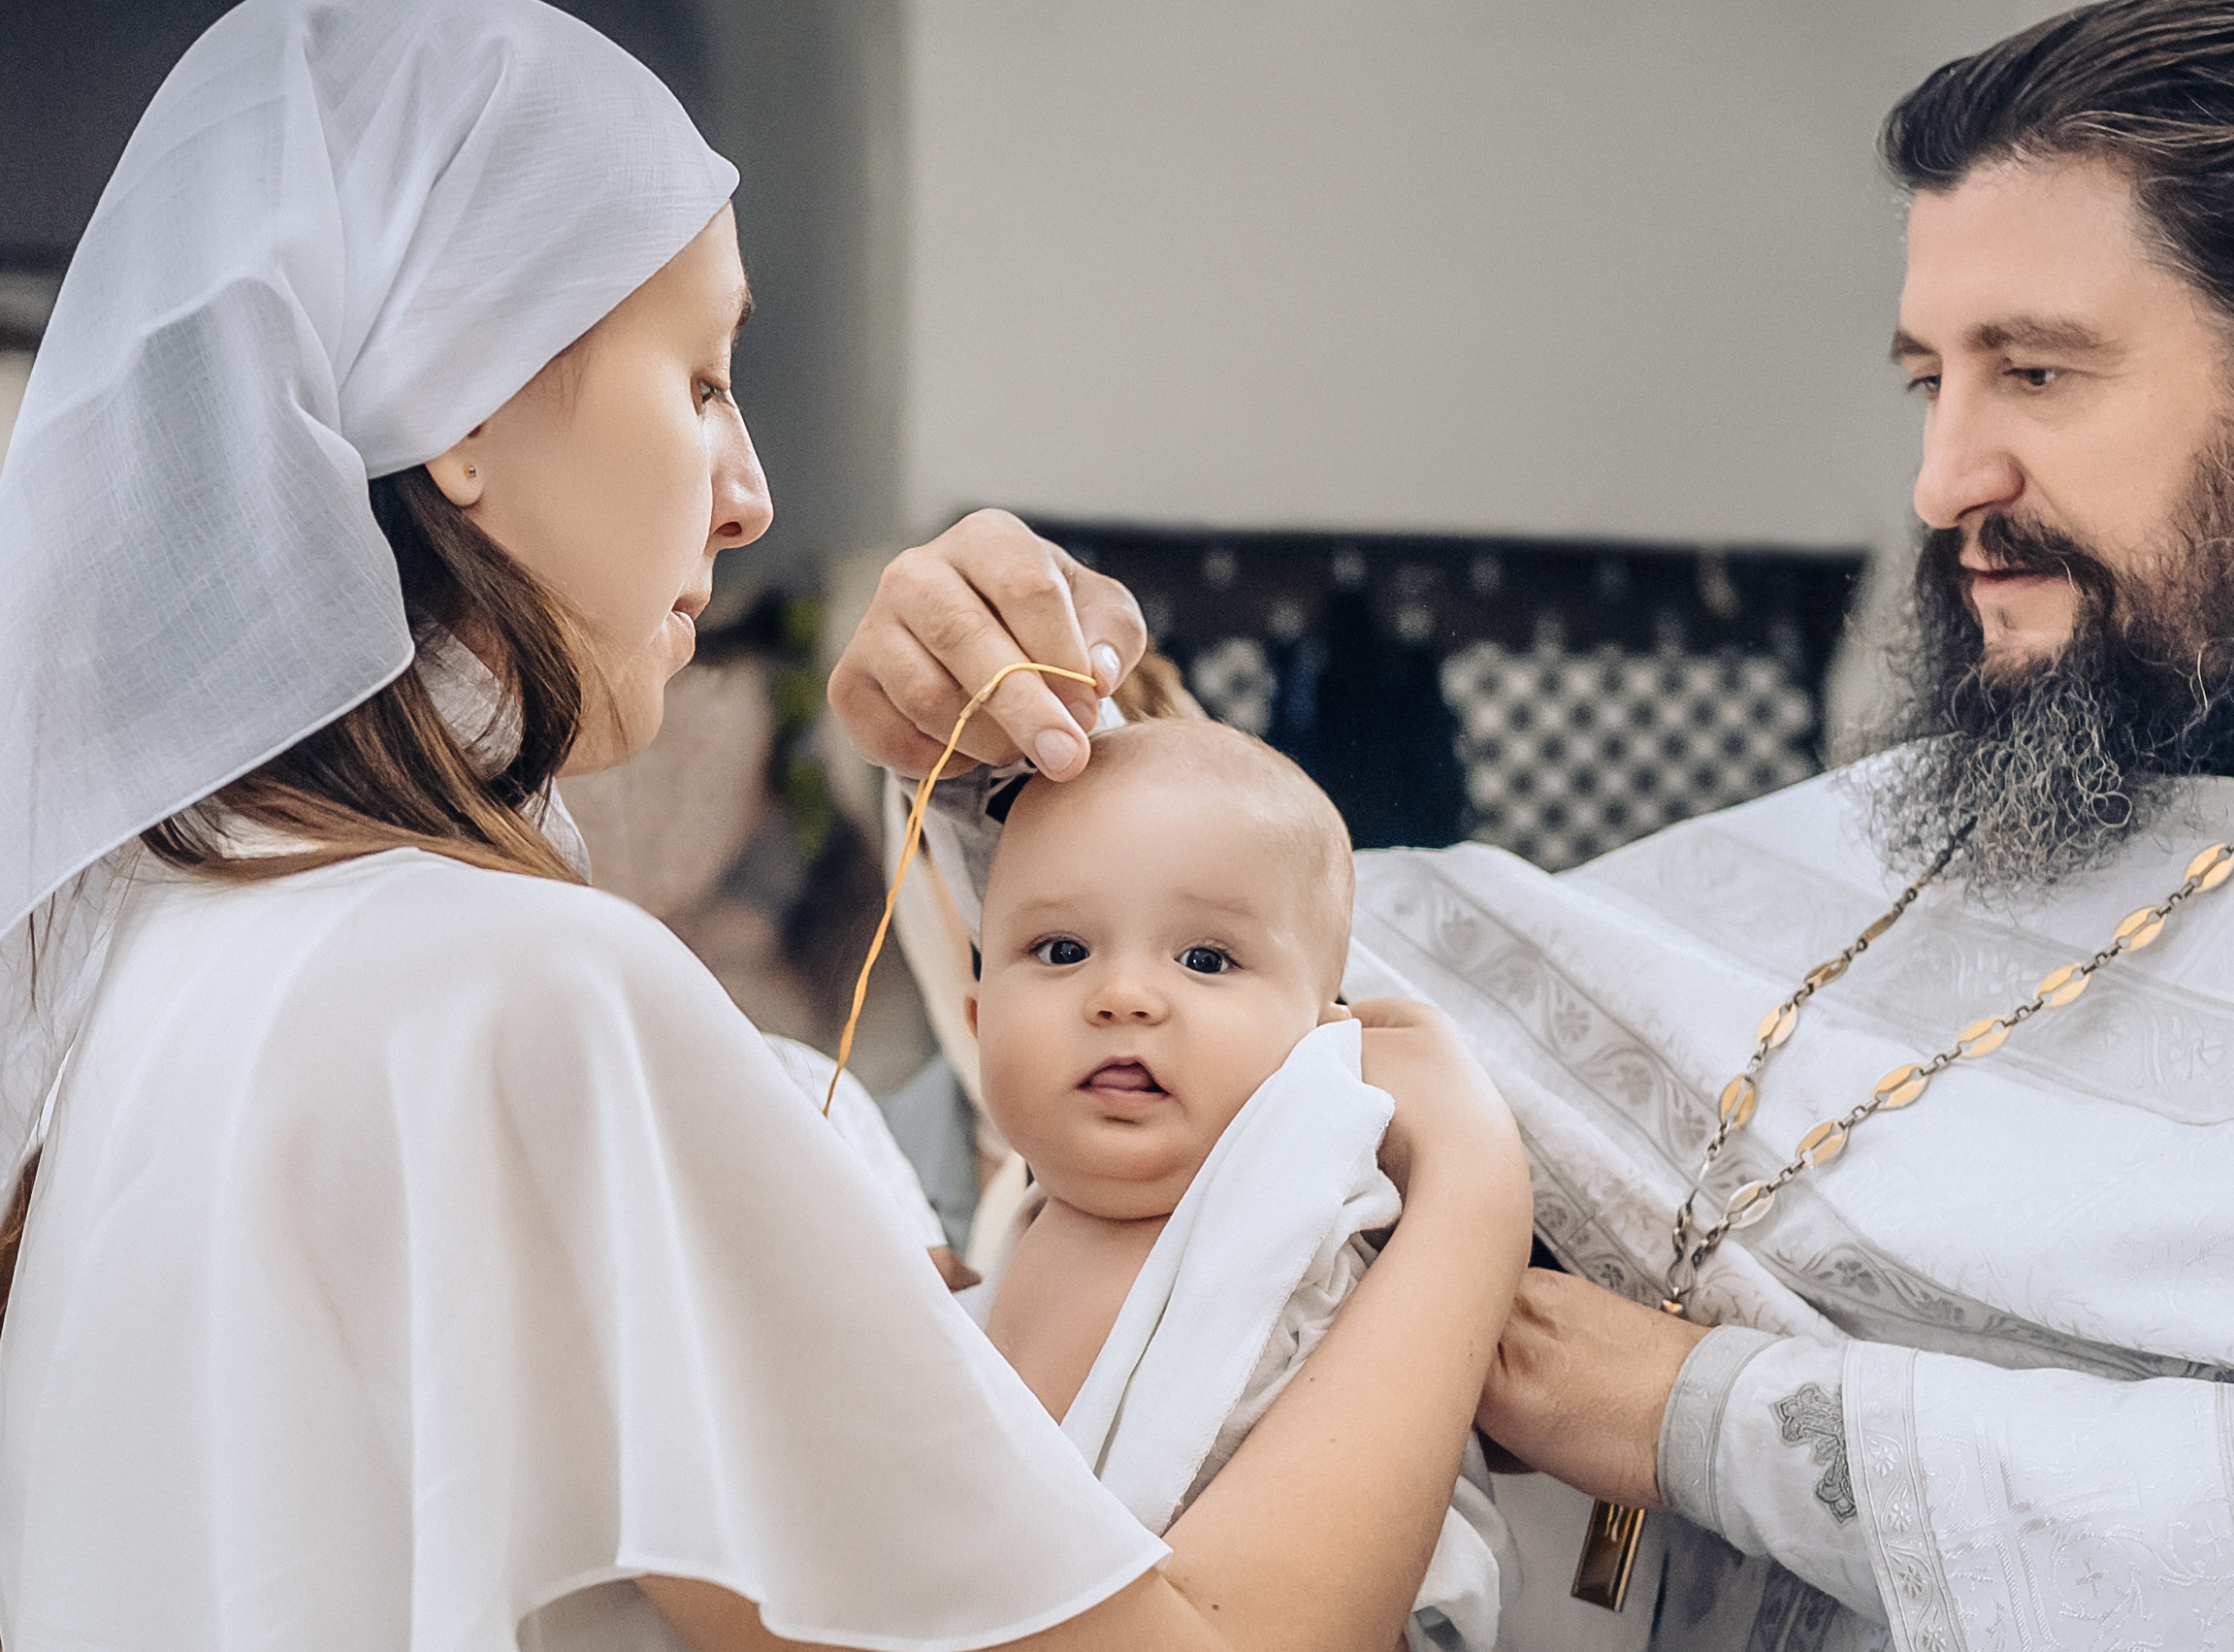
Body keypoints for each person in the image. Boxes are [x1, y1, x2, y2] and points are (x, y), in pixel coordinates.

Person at [826, 2, 2234, 1645]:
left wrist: (1704, 1415)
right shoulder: (1971, 799)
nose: (1947, 473)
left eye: (2036, 371)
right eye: (1930, 382)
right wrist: (1013, 745)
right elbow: (1313, 994)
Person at [0, 3, 1535, 1648]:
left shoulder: (160, 941)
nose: (750, 493)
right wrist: (1466, 1195)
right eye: (705, 379)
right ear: (463, 405)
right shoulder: (532, 990)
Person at [968, 718, 1508, 1651]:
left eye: (1205, 959)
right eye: (1063, 951)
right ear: (977, 1017)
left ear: (1322, 1044)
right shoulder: (1001, 1241)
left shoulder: (1307, 1253)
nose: (1124, 995)